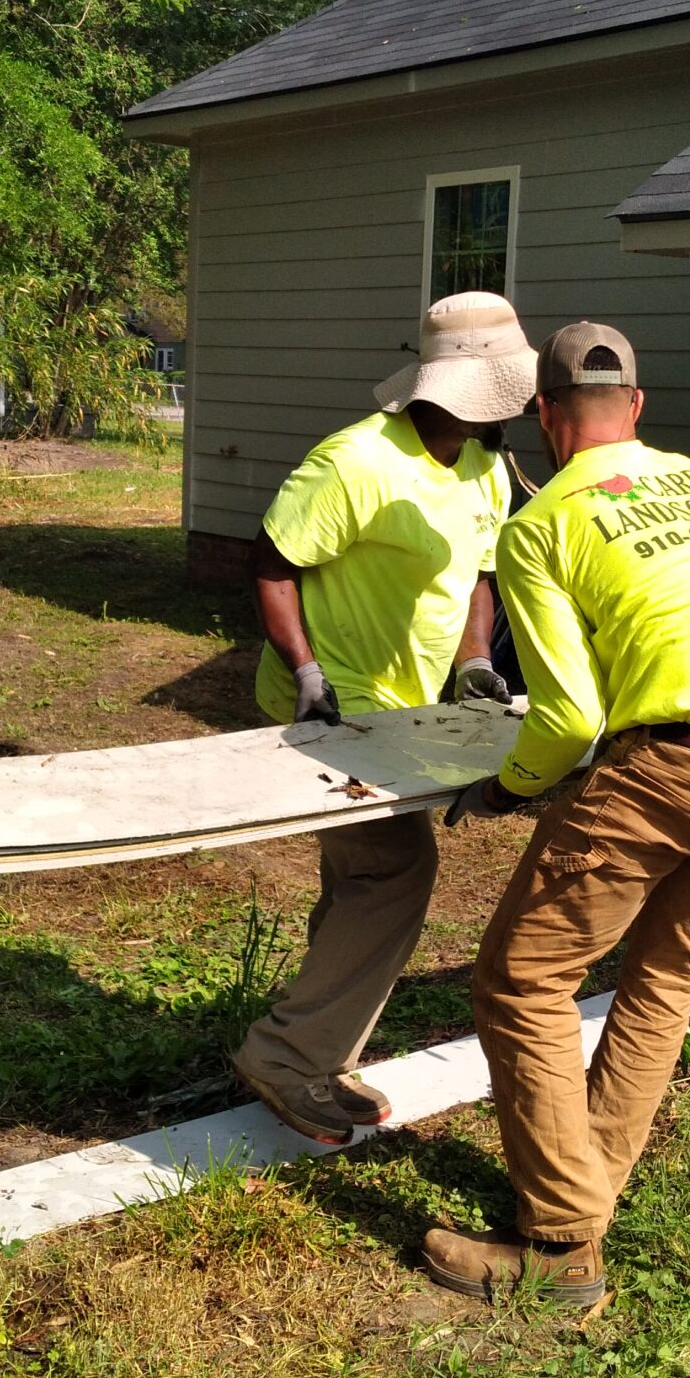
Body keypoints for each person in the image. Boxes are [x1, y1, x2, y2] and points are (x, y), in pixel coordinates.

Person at [426, 323, 690, 1308]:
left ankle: (560, 1250)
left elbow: (565, 721)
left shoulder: (543, 521)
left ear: (544, 420)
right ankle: (582, 1195)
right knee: (661, 977)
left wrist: (505, 788)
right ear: (636, 408)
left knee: (522, 980)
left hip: (677, 769)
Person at [232, 289, 529, 1144]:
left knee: (360, 882)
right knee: (393, 876)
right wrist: (307, 672)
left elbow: (481, 569)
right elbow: (272, 561)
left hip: (411, 712)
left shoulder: (481, 462)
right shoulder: (354, 463)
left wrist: (476, 657)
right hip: (336, 708)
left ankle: (317, 1038)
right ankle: (289, 1056)